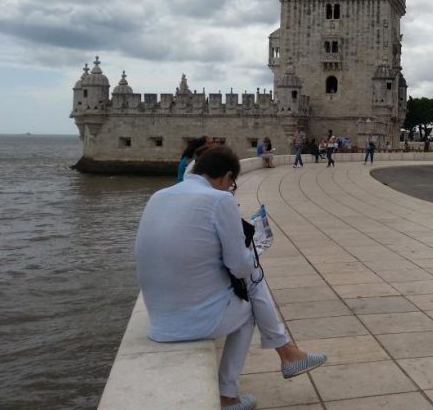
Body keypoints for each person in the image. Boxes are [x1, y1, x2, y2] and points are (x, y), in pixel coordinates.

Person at [135, 147, 327, 410]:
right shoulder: (219, 200)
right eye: (231, 184)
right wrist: (251, 247)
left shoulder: (159, 196)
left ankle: (287, 353)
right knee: (252, 297)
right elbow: (239, 267)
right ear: (226, 177)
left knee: (252, 280)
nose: (230, 190)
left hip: (159, 318)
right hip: (189, 321)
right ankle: (231, 394)